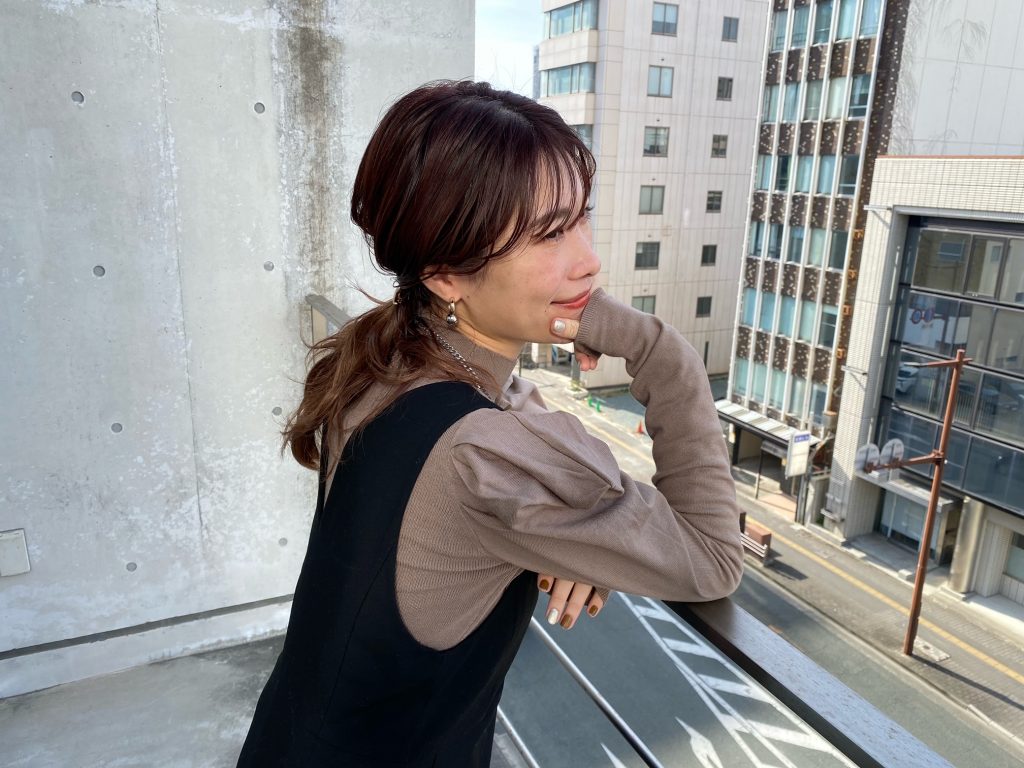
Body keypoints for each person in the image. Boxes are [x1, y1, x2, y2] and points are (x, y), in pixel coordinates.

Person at [236, 80, 741, 767]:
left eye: (582, 218)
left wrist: (572, 541)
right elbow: (713, 559)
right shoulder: (484, 451)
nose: (589, 259)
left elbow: (503, 424)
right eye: (551, 233)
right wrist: (661, 351)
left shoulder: (383, 361)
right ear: (447, 275)